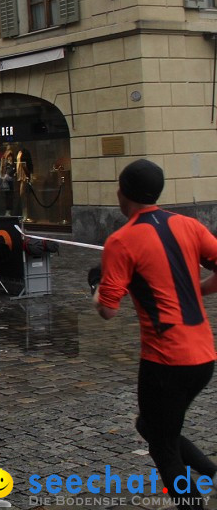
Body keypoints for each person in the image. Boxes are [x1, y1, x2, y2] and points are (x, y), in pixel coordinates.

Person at [95, 159, 217, 509]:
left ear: (123, 193)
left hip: (164, 362)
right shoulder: (188, 225)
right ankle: (209, 470)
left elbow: (107, 310)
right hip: (203, 357)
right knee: (153, 425)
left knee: (162, 447)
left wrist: (98, 290)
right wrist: (199, 289)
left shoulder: (121, 240)